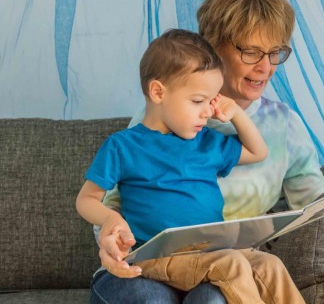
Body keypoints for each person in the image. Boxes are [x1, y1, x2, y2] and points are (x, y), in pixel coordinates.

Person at [91, 0, 324, 303]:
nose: (265, 68)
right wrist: (111, 239)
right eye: (252, 52)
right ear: (213, 45)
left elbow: (313, 209)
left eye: (275, 52)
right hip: (145, 262)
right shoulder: (164, 114)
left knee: (213, 298)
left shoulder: (284, 126)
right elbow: (110, 202)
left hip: (225, 264)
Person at [77, 28, 305, 304]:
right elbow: (86, 199)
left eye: (211, 101)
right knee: (230, 264)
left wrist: (235, 115)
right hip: (154, 257)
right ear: (158, 92)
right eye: (198, 101)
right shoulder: (123, 146)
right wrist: (110, 218)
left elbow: (258, 152)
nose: (208, 112)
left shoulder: (206, 142)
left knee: (270, 265)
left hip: (208, 252)